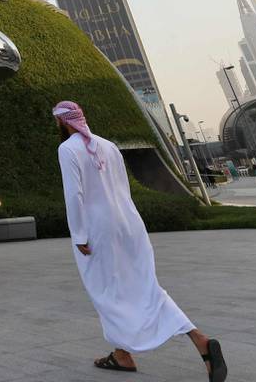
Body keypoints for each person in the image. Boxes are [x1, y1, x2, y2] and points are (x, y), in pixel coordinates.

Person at [54, 101, 227, 379]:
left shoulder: (67, 149)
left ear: (62, 122)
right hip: (129, 224)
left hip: (99, 229)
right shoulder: (108, 146)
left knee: (106, 292)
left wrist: (79, 234)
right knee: (146, 288)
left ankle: (126, 353)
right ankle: (147, 350)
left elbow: (74, 195)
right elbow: (123, 188)